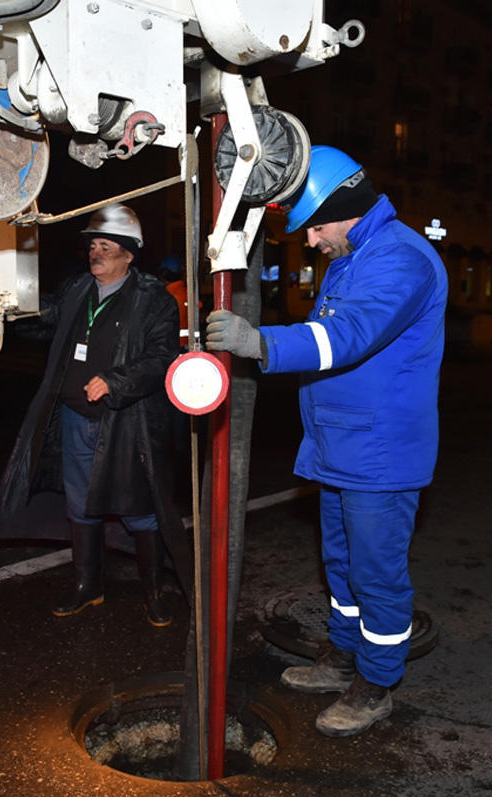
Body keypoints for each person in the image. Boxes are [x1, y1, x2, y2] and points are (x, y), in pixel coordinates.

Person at [204, 146, 447, 737]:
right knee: (341, 567)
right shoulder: (355, 255)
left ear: (342, 208)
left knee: (376, 575)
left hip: (380, 456)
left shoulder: (401, 259)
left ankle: (377, 682)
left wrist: (260, 343)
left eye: (313, 225)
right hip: (342, 447)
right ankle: (344, 657)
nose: (310, 240)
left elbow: (347, 336)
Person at [0, 204, 183, 627]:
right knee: (81, 506)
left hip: (126, 424)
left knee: (138, 507)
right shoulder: (78, 289)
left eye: (106, 246)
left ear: (129, 254)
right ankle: (88, 586)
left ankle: (155, 591)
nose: (96, 253)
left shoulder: (154, 300)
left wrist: (116, 380)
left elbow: (161, 358)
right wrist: (3, 309)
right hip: (75, 419)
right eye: (93, 245)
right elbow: (44, 321)